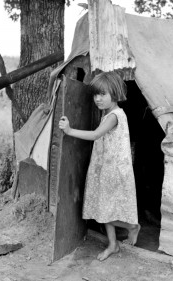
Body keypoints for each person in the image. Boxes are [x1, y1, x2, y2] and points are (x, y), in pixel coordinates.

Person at [59, 71, 140, 261]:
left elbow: (95, 135)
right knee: (105, 207)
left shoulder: (114, 116)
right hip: (104, 168)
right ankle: (113, 245)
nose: (98, 99)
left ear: (115, 92)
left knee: (105, 210)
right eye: (96, 95)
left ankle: (132, 226)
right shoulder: (108, 115)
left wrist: (69, 131)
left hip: (113, 171)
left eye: (103, 94)